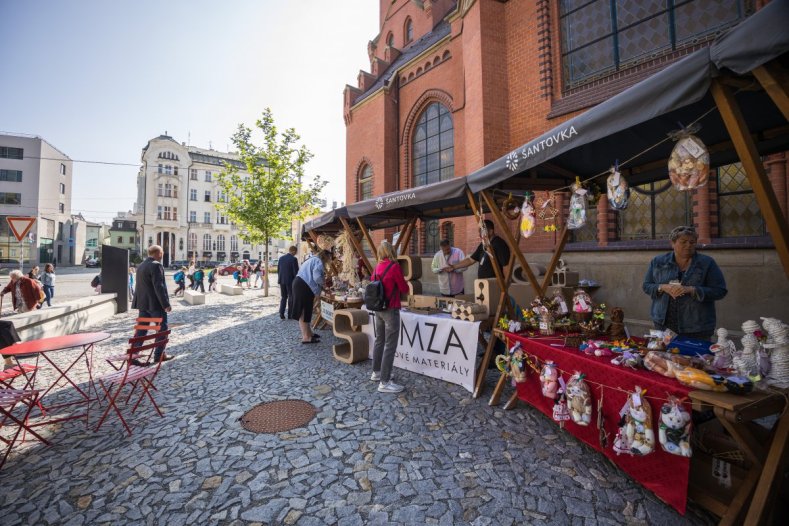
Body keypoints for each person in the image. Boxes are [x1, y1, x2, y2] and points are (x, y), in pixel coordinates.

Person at [642, 225, 727, 340]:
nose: (688, 245)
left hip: (697, 326)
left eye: (692, 242)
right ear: (672, 243)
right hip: (663, 323)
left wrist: (692, 290)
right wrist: (662, 287)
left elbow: (720, 290)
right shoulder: (658, 262)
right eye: (683, 242)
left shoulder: (706, 263)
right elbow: (646, 286)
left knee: (695, 357)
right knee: (663, 356)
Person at [371, 240, 409, 394]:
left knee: (379, 340)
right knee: (390, 345)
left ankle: (376, 372)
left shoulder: (377, 267)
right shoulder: (394, 267)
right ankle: (385, 382)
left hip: (378, 309)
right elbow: (403, 288)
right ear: (391, 252)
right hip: (391, 309)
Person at [132, 245, 173, 363]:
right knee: (162, 329)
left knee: (142, 330)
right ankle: (159, 355)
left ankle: (133, 355)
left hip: (143, 304)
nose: (162, 255)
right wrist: (165, 304)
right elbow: (159, 286)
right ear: (159, 253)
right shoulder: (156, 265)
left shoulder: (141, 265)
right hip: (155, 305)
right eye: (162, 252)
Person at [289, 250, 331, 344]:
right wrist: (324, 285)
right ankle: (306, 337)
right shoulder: (318, 261)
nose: (329, 261)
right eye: (329, 259)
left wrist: (322, 289)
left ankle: (309, 333)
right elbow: (317, 277)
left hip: (301, 284)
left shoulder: (312, 259)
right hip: (303, 285)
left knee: (306, 310)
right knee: (303, 311)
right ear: (326, 257)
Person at [277, 246, 299, 320]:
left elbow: (278, 270)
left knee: (283, 297)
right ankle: (290, 314)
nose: (296, 253)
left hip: (281, 280)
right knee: (291, 297)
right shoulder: (293, 259)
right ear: (293, 251)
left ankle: (281, 313)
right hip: (290, 281)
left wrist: (280, 278)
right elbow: (296, 272)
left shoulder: (281, 258)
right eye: (295, 252)